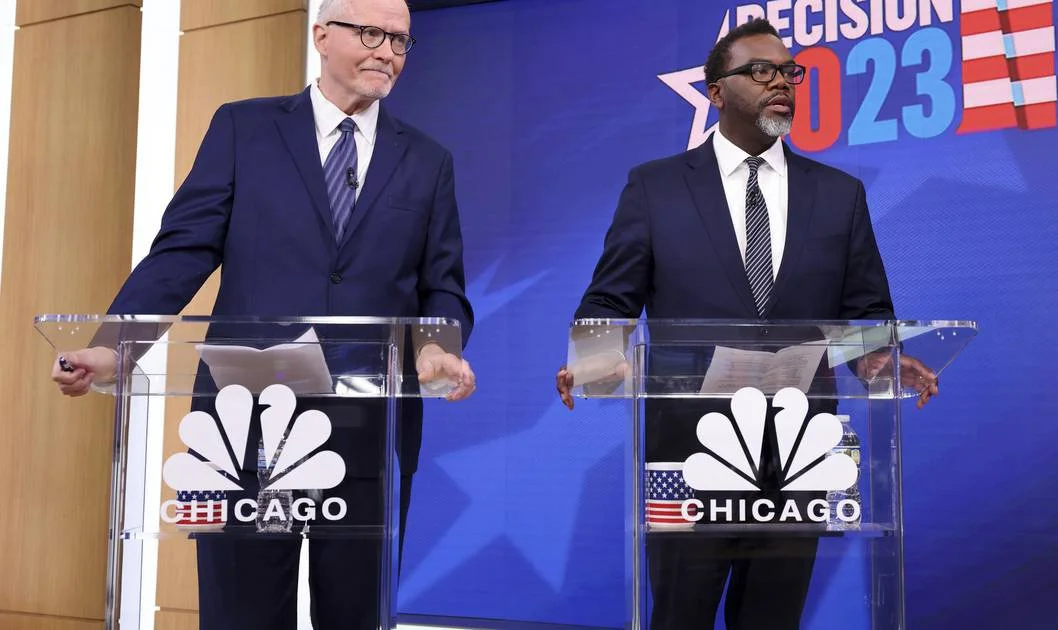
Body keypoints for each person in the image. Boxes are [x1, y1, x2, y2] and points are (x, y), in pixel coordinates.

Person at [49, 0, 475, 628]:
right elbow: (183, 250)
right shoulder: (243, 128)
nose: (387, 52)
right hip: (241, 425)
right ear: (322, 36)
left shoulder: (428, 160)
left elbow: (442, 285)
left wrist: (437, 346)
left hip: (369, 429)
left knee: (356, 617)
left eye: (400, 41)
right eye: (370, 34)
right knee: (242, 614)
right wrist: (115, 346)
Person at [556, 18, 937, 629]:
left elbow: (868, 312)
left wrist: (879, 359)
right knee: (680, 616)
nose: (780, 83)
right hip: (687, 450)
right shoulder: (655, 188)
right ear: (716, 91)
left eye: (789, 72)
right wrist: (592, 357)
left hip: (800, 451)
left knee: (772, 619)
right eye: (760, 71)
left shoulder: (839, 194)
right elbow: (609, 299)